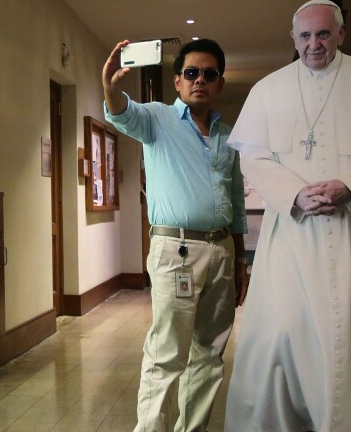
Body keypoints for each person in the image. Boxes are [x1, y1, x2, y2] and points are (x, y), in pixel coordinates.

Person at [224, 0, 351, 432]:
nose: (313, 45)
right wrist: (296, 194)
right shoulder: (269, 89)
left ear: (341, 34)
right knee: (280, 337)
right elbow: (255, 159)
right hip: (294, 239)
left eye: (323, 34)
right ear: (293, 39)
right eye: (305, 36)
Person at [102, 38, 248, 432]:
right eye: (191, 73)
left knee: (209, 355)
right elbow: (120, 112)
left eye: (209, 74)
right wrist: (111, 87)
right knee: (167, 354)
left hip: (222, 251)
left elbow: (234, 197)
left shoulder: (227, 136)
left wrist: (240, 260)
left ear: (219, 83)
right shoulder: (157, 119)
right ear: (177, 82)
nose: (199, 79)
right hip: (177, 251)